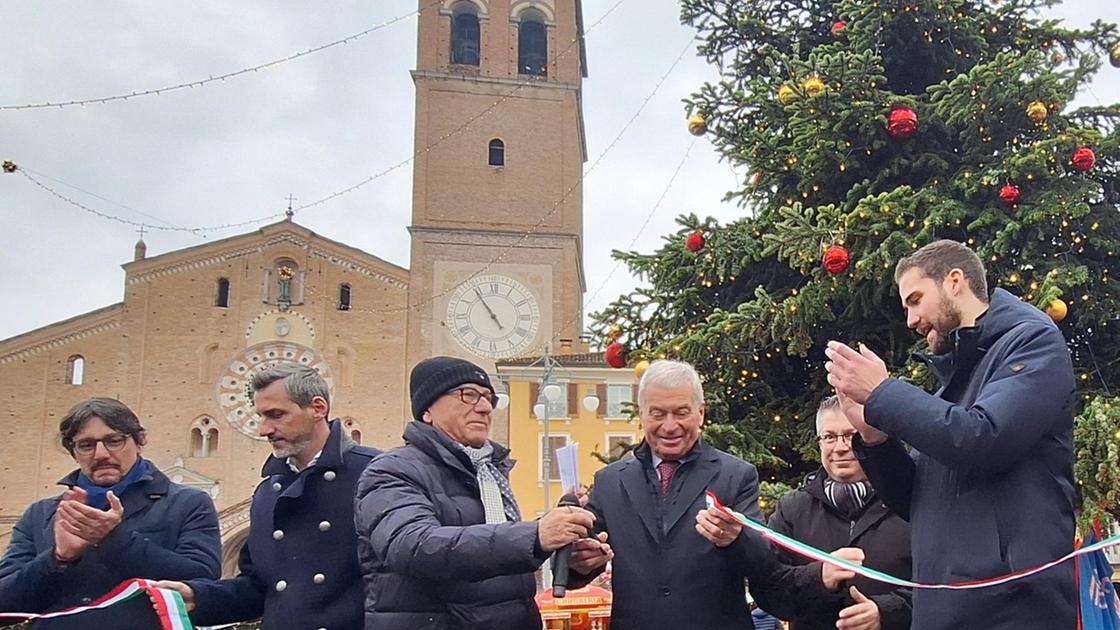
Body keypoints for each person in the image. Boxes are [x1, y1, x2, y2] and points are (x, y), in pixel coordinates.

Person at [824, 239, 1077, 629]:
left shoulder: (1031, 342)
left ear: (955, 281)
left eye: (915, 299)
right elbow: (916, 501)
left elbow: (984, 438)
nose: (910, 319)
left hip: (1010, 609)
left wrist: (884, 393)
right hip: (945, 610)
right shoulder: (950, 387)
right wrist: (874, 436)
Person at [571, 359, 846, 630]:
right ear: (642, 414)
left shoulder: (735, 475)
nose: (669, 426)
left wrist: (736, 539)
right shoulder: (609, 481)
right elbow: (577, 566)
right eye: (657, 413)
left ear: (700, 413)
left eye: (681, 412)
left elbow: (765, 563)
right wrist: (580, 562)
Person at [354, 356, 609, 629]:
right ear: (427, 409)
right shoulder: (390, 470)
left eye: (489, 397)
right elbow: (414, 547)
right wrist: (536, 535)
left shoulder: (489, 473)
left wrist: (572, 564)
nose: (485, 407)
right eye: (468, 395)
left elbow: (500, 559)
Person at [154, 364, 381, 630]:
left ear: (318, 409)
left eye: (276, 415)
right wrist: (198, 597)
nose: (264, 430)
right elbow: (260, 588)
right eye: (261, 417)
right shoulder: (267, 493)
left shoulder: (374, 473)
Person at [0, 398, 220, 629]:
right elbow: (6, 602)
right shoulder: (41, 514)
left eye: (114, 441)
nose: (101, 454)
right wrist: (59, 559)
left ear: (139, 442)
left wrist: (112, 540)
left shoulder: (188, 503)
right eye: (86, 445)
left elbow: (201, 580)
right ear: (73, 452)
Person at [768, 396, 911, 630]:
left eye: (851, 436)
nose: (840, 447)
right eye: (829, 437)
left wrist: (885, 612)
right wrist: (818, 577)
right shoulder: (792, 510)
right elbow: (769, 589)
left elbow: (941, 585)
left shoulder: (910, 503)